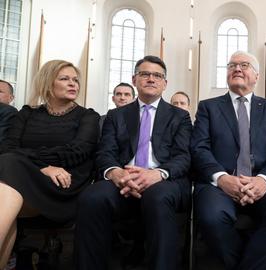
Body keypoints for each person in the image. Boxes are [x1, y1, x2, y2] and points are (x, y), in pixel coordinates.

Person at [74, 55, 192, 270]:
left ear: (165, 84)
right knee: (92, 197)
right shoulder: (115, 115)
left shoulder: (179, 117)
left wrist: (157, 174)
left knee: (158, 196)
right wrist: (117, 174)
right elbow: (105, 152)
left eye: (157, 75)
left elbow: (184, 157)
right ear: (134, 79)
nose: (151, 79)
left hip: (164, 179)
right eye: (145, 74)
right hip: (123, 179)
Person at [190, 51, 266, 270]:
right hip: (219, 184)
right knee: (211, 217)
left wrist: (264, 180)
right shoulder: (208, 107)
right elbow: (199, 147)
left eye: (244, 65)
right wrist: (222, 178)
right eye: (232, 65)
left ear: (257, 76)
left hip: (265, 182)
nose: (237, 69)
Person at [0, 60, 99, 269]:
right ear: (48, 82)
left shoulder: (87, 116)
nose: (73, 84)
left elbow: (77, 152)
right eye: (64, 79)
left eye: (75, 80)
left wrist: (32, 161)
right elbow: (7, 147)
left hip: (62, 186)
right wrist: (44, 167)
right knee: (7, 174)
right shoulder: (27, 113)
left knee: (9, 167)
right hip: (25, 180)